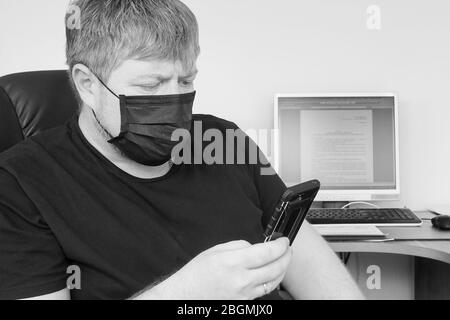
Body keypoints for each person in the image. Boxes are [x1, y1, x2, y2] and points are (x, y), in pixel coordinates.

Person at [0, 0, 364, 300]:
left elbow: (323, 281)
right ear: (87, 84)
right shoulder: (21, 185)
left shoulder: (225, 142)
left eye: (186, 80)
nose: (173, 103)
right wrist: (188, 292)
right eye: (150, 85)